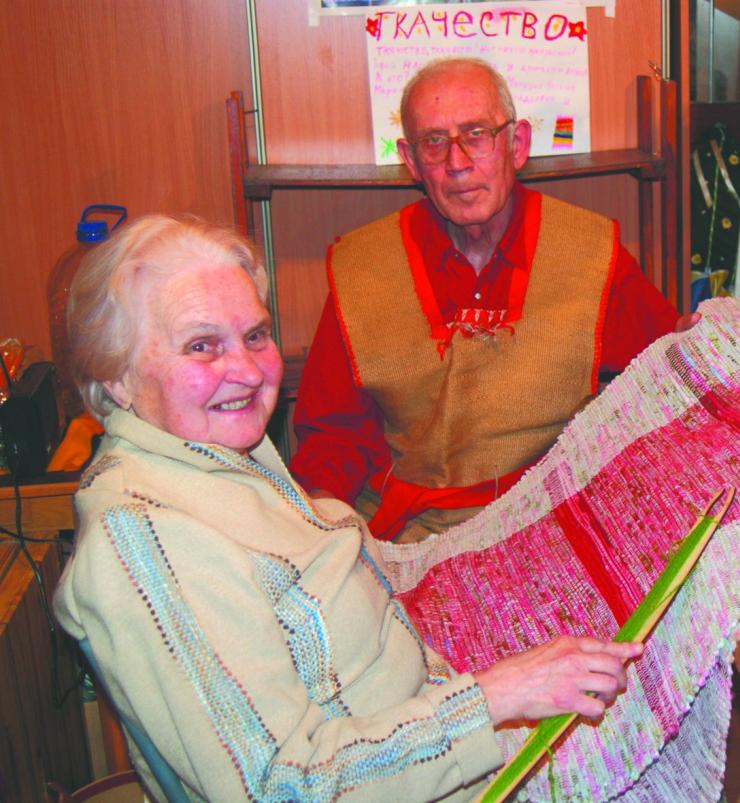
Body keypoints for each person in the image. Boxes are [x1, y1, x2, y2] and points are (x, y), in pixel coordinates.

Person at [53, 215, 642, 802]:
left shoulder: (216, 457)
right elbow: (279, 790)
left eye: (255, 336)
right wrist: (496, 697)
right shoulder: (146, 536)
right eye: (201, 346)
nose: (248, 371)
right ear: (116, 377)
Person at [290, 57, 695, 543]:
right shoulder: (361, 267)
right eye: (434, 142)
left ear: (517, 144)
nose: (457, 163)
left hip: (548, 528)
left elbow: (668, 385)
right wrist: (321, 532)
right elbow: (334, 435)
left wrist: (701, 348)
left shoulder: (591, 255)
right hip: (402, 535)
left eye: (477, 134)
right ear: (411, 161)